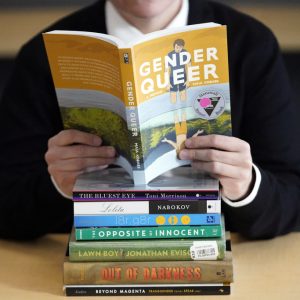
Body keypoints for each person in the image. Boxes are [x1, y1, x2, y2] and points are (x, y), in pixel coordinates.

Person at [0, 0, 299, 240]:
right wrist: (57, 185)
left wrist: (247, 186)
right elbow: (7, 203)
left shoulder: (250, 46)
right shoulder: (43, 55)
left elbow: (292, 196)